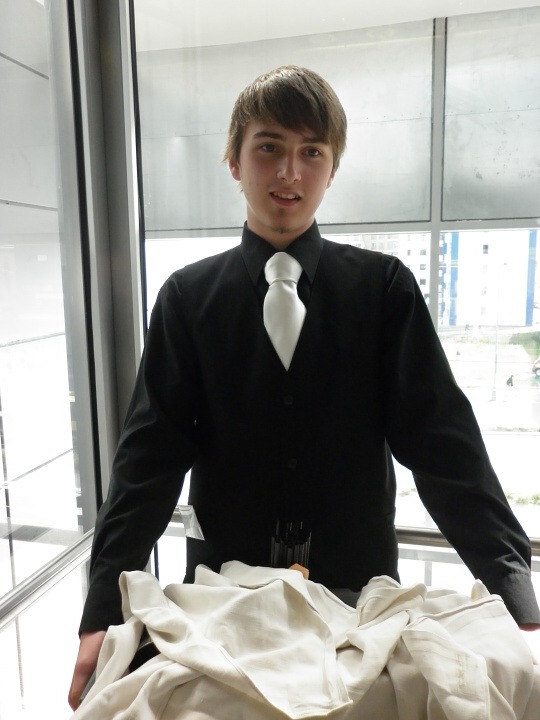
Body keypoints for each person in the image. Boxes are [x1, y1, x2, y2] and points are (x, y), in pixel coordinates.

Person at [68, 65, 540, 710]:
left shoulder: (384, 290)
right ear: (234, 162)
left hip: (360, 600)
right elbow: (147, 464)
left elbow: (443, 446)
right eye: (269, 147)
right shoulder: (186, 298)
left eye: (312, 152)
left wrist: (514, 592)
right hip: (223, 601)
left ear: (332, 167)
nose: (290, 172)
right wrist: (100, 611)